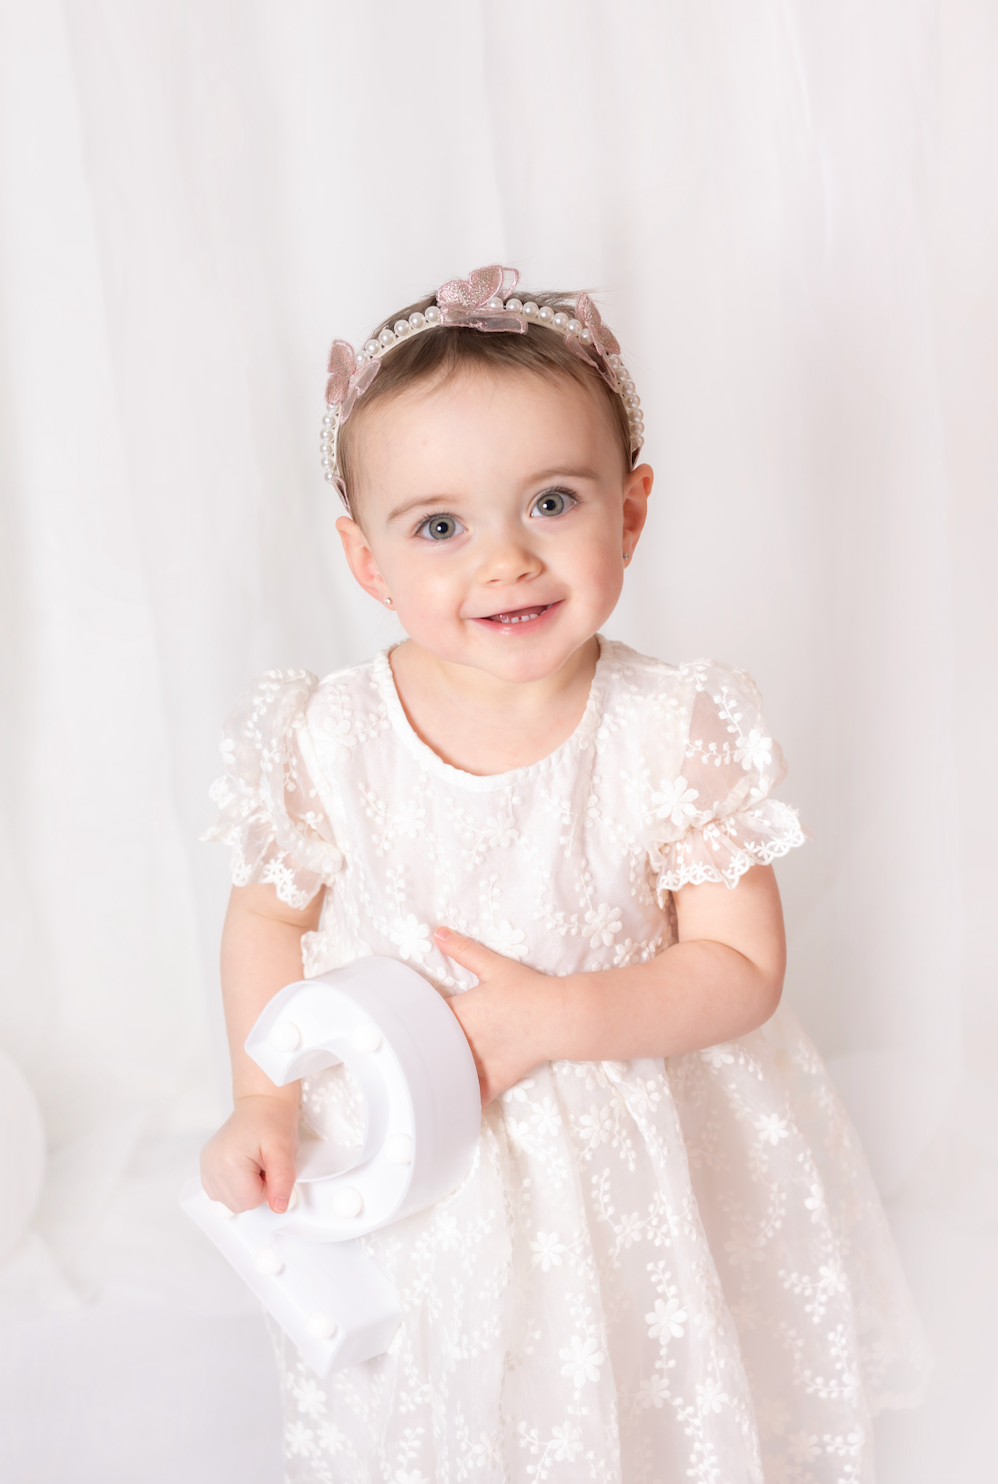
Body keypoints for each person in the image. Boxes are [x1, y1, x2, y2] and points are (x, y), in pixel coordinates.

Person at [199, 266, 929, 1484]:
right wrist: (265, 1095)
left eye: (549, 501)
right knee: (442, 1379)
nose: (504, 562)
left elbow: (739, 965)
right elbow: (268, 919)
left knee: (634, 1371)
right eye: (439, 525)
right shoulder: (326, 735)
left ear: (629, 513)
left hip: (622, 1128)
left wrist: (556, 1016)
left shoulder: (670, 726)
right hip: (420, 1136)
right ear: (365, 559)